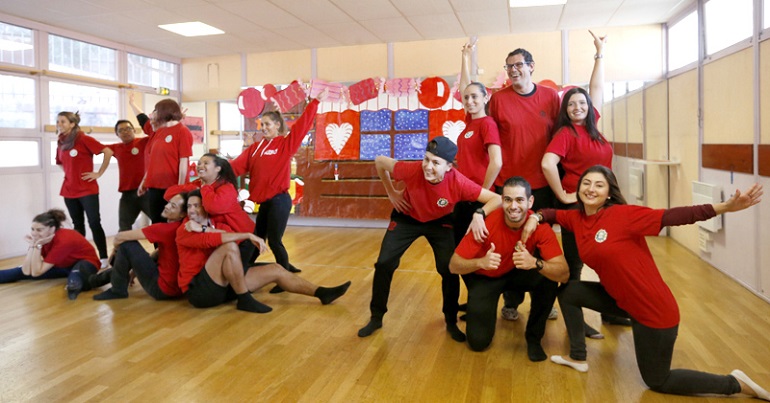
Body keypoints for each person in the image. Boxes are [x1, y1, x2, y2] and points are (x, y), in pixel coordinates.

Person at [521, 165, 769, 400]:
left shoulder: (623, 215)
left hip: (653, 310)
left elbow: (675, 216)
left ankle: (734, 383)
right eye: (586, 183)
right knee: (571, 291)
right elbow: (553, 214)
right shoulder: (577, 218)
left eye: (599, 185)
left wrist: (725, 206)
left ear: (609, 193)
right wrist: (536, 217)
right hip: (623, 302)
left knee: (658, 381)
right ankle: (578, 357)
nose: (591, 189)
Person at [357, 137, 502, 342]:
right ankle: (376, 317)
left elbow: (496, 199)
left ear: (449, 167)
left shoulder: (458, 182)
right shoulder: (411, 169)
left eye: (436, 163)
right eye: (426, 159)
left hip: (439, 221)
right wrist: (391, 192)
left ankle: (450, 321)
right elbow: (380, 161)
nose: (428, 166)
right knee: (384, 263)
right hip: (407, 216)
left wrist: (479, 213)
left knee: (449, 268)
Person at [541, 31, 626, 337]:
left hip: (605, 206)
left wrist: (599, 52)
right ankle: (576, 322)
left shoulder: (594, 128)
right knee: (574, 268)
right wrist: (563, 195)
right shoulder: (566, 134)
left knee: (609, 261)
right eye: (571, 104)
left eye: (581, 103)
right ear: (565, 110)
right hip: (579, 207)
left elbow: (597, 87)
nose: (577, 106)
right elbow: (547, 163)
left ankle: (612, 312)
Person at [449, 176, 567, 361]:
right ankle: (479, 310)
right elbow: (454, 265)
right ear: (501, 201)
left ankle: (534, 338)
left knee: (547, 279)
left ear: (530, 202)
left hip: (519, 271)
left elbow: (564, 274)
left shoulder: (540, 227)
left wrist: (535, 263)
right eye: (508, 200)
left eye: (520, 200)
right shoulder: (485, 224)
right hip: (488, 276)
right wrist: (480, 262)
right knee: (478, 343)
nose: (513, 206)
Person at [177, 189, 351, 313]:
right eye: (189, 206)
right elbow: (216, 240)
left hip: (225, 285)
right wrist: (248, 235)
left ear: (206, 207)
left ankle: (322, 293)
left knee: (276, 269)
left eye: (196, 206)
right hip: (200, 291)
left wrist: (209, 229)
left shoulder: (217, 224)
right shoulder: (185, 229)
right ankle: (244, 299)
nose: (192, 210)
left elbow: (226, 234)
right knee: (229, 247)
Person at [488, 46, 561, 322]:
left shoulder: (551, 97)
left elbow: (561, 137)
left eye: (518, 65)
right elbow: (489, 138)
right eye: (509, 67)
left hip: (542, 185)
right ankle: (511, 300)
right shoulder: (497, 100)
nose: (513, 70)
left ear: (531, 66)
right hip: (508, 186)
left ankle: (544, 300)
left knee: (541, 245)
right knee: (510, 244)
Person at [230, 89, 329, 279]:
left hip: (280, 200)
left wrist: (314, 102)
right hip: (265, 203)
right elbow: (235, 167)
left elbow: (302, 126)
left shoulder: (285, 144)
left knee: (275, 241)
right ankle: (245, 270)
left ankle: (284, 277)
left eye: (267, 124)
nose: (264, 127)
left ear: (277, 125)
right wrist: (215, 171)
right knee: (257, 239)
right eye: (262, 124)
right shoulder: (255, 148)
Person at [165, 153, 256, 271]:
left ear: (218, 169)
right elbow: (169, 194)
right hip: (221, 236)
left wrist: (205, 187)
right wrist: (195, 188)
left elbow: (213, 207)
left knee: (233, 279)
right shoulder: (199, 183)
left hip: (243, 239)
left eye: (206, 163)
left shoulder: (226, 187)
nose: (200, 166)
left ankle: (277, 271)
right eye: (199, 163)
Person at [93, 193, 187, 301]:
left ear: (182, 214)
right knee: (124, 260)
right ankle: (93, 280)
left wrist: (115, 250)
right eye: (169, 203)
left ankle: (117, 290)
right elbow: (160, 251)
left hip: (161, 289)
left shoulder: (163, 229)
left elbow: (119, 237)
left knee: (127, 244)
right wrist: (136, 270)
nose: (167, 206)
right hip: (177, 289)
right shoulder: (181, 228)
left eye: (173, 206)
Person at [454, 40, 502, 246]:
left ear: (485, 98)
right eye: (466, 98)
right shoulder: (469, 122)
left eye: (475, 97)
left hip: (479, 196)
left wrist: (482, 192)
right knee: (460, 245)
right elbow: (465, 86)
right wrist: (465, 58)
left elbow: (497, 162)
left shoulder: (487, 124)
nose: (469, 101)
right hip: (463, 194)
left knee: (478, 246)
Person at [0, 209, 110, 299]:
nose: (34, 233)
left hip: (86, 263)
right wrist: (33, 245)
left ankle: (80, 285)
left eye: (39, 230)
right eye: (32, 229)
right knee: (17, 272)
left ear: (52, 228)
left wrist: (37, 246)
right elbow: (27, 271)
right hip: (62, 264)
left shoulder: (64, 240)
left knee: (74, 279)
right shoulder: (43, 239)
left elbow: (37, 272)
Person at [56, 111, 114, 267]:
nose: (59, 125)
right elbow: (61, 162)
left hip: (87, 190)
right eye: (58, 122)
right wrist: (71, 174)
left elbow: (108, 152)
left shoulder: (83, 139)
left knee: (94, 223)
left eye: (63, 122)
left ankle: (103, 257)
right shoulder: (61, 141)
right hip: (68, 190)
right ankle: (79, 257)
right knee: (77, 225)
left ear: (72, 124)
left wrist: (98, 173)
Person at [137, 98, 193, 224]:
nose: (153, 114)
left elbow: (184, 162)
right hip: (154, 187)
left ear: (164, 111)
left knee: (172, 223)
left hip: (171, 186)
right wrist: (144, 181)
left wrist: (179, 188)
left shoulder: (182, 131)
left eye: (155, 110)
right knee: (156, 223)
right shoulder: (159, 132)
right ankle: (158, 245)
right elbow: (153, 161)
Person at [107, 119, 151, 231]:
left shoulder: (144, 141)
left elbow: (157, 133)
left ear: (134, 130)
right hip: (128, 195)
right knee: (124, 228)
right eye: (121, 130)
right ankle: (123, 249)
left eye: (128, 128)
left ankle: (161, 249)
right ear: (117, 134)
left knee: (158, 223)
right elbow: (94, 147)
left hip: (147, 192)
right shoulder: (115, 148)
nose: (125, 132)